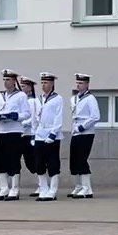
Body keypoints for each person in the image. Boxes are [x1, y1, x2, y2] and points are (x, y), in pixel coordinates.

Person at [0, 69, 31, 201]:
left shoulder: (21, 96)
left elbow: (27, 113)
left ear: (14, 81)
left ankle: (14, 189)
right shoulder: (0, 96)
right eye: (4, 79)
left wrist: (16, 116)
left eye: (8, 79)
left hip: (15, 130)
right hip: (2, 130)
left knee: (13, 160)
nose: (6, 82)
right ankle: (3, 188)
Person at [68, 74, 100, 199]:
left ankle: (87, 188)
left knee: (82, 159)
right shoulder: (74, 98)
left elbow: (95, 116)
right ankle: (78, 186)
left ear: (87, 84)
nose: (78, 85)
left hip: (86, 133)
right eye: (77, 83)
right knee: (74, 160)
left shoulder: (90, 98)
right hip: (75, 132)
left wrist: (83, 126)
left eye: (81, 83)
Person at [33, 72, 64, 201]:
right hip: (40, 134)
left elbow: (59, 117)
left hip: (52, 135)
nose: (43, 85)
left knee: (53, 163)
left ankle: (53, 190)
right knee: (39, 163)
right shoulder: (37, 99)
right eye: (42, 82)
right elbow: (34, 118)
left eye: (46, 82)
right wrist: (33, 134)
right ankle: (43, 188)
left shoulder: (58, 99)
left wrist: (53, 133)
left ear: (52, 84)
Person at [18, 77, 41, 196]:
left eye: (24, 86)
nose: (22, 88)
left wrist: (21, 122)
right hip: (19, 134)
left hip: (29, 134)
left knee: (33, 162)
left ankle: (41, 185)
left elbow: (34, 118)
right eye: (21, 86)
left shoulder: (33, 101)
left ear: (30, 88)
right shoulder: (20, 100)